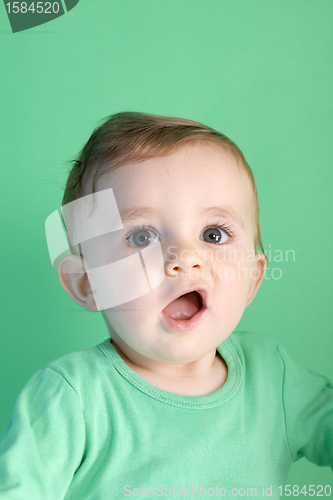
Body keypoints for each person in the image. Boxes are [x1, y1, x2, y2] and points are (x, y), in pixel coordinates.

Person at [0, 112, 332, 499]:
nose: (185, 257)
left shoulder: (273, 378)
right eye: (142, 237)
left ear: (252, 278)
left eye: (213, 233)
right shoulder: (73, 397)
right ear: (90, 284)